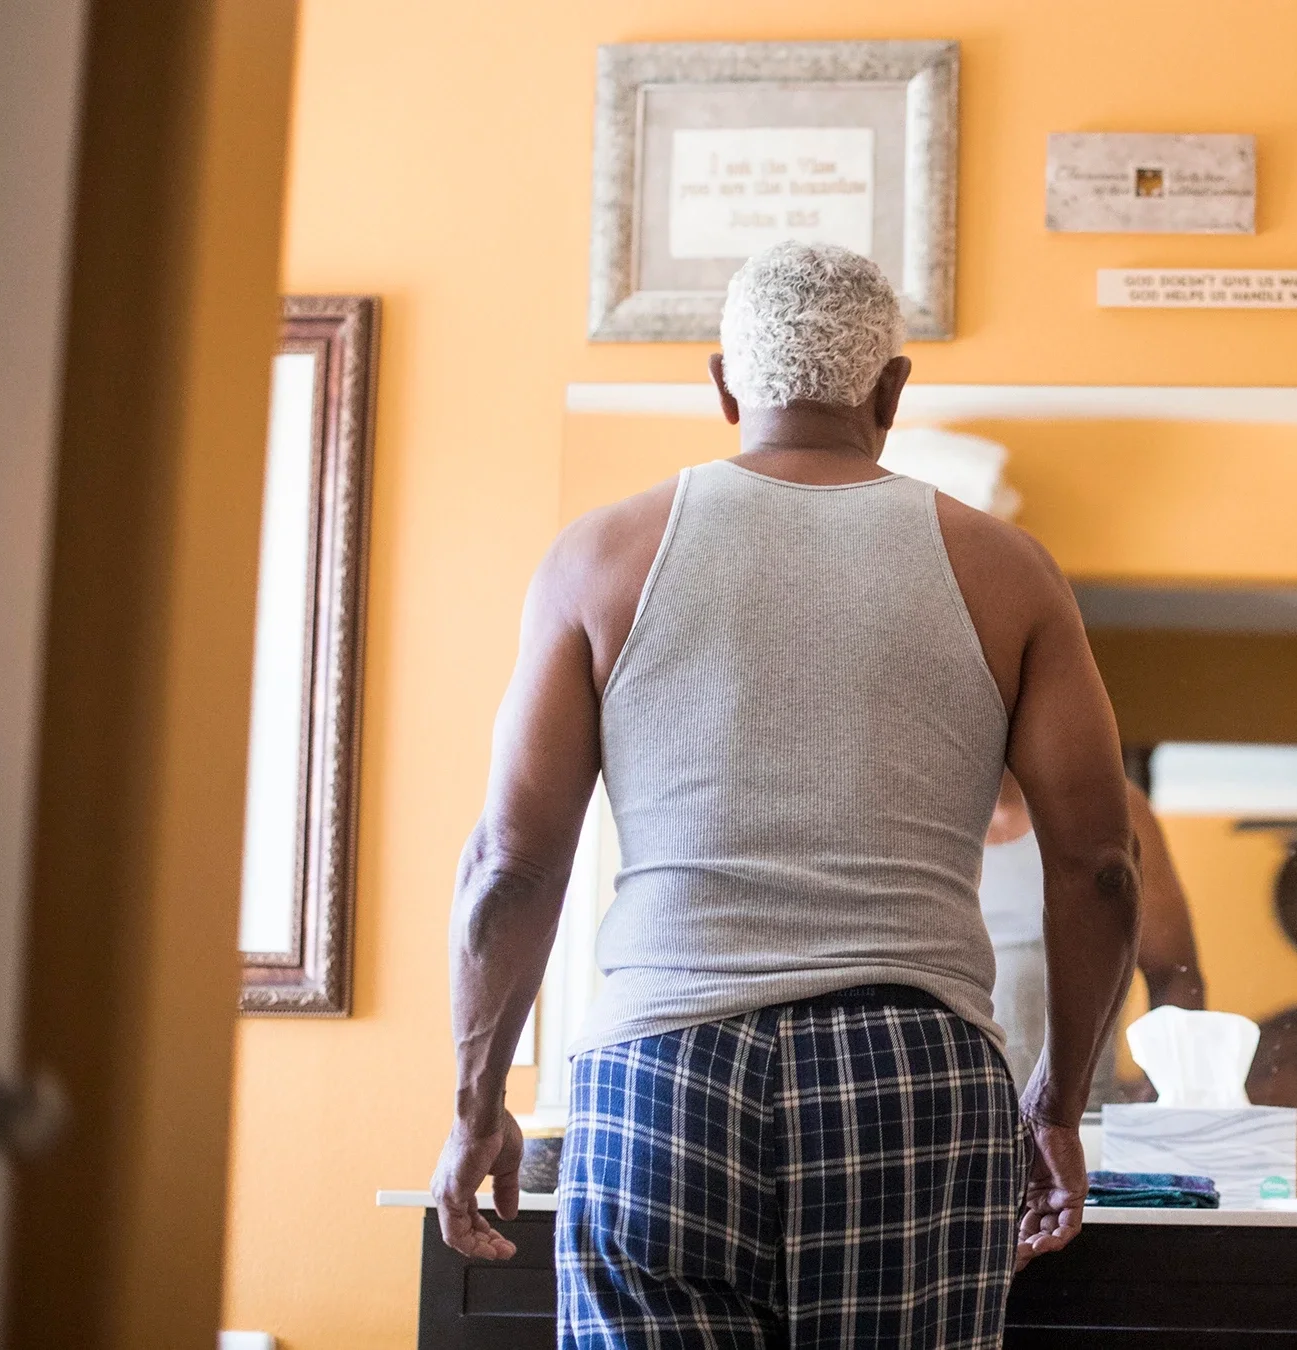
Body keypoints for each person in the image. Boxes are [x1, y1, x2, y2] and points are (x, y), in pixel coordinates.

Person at [426, 240, 1140, 1349]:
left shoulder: (596, 558)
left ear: (724, 383)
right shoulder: (1006, 571)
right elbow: (1101, 867)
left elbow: (508, 867)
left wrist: (477, 1106)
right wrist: (1052, 1106)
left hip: (657, 1071)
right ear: (892, 392)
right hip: (913, 1075)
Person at [982, 773, 1205, 1099]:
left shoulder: (1110, 807)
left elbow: (1174, 976)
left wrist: (1166, 1100)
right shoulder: (914, 810)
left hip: (1082, 1128)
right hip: (956, 1125)